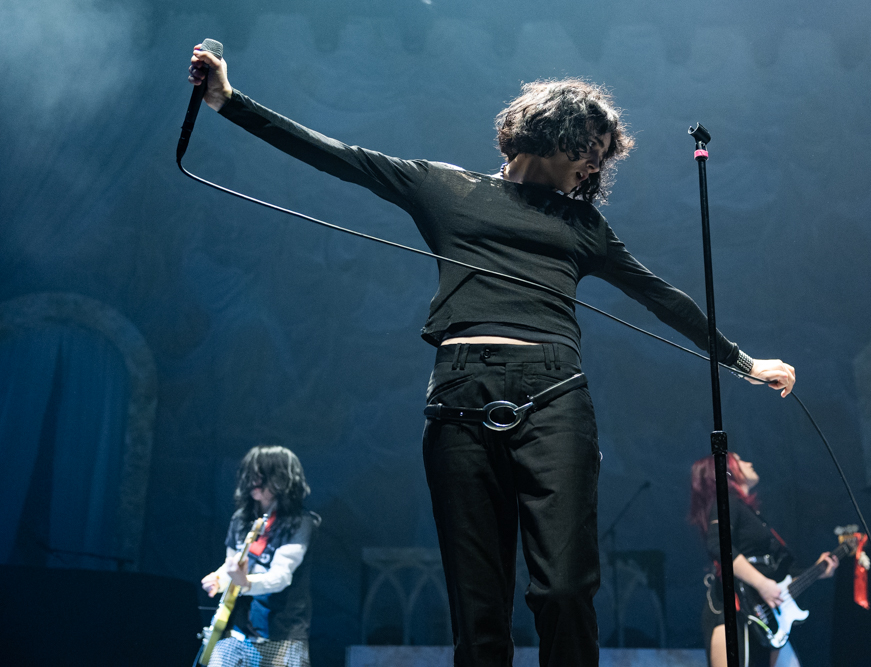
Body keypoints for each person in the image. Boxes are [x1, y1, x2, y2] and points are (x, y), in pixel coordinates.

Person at [187, 45, 796, 667]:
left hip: (554, 398)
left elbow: (661, 296)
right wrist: (227, 102)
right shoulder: (445, 187)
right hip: (459, 399)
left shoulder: (583, 226)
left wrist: (743, 363)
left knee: (563, 590)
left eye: (602, 158)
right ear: (554, 128)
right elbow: (338, 155)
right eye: (590, 147)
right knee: (479, 615)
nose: (595, 165)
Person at [689, 453, 838, 667]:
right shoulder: (727, 502)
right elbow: (718, 544)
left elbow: (780, 572)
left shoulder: (750, 512)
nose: (749, 463)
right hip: (737, 609)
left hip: (767, 619)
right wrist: (762, 584)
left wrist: (817, 570)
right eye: (740, 461)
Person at [201, 445, 319, 667]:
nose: (254, 480)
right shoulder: (241, 519)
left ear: (282, 479)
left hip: (281, 630)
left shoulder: (301, 523)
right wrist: (218, 579)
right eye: (251, 473)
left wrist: (244, 583)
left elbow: (281, 576)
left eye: (262, 475)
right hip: (237, 627)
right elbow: (232, 565)